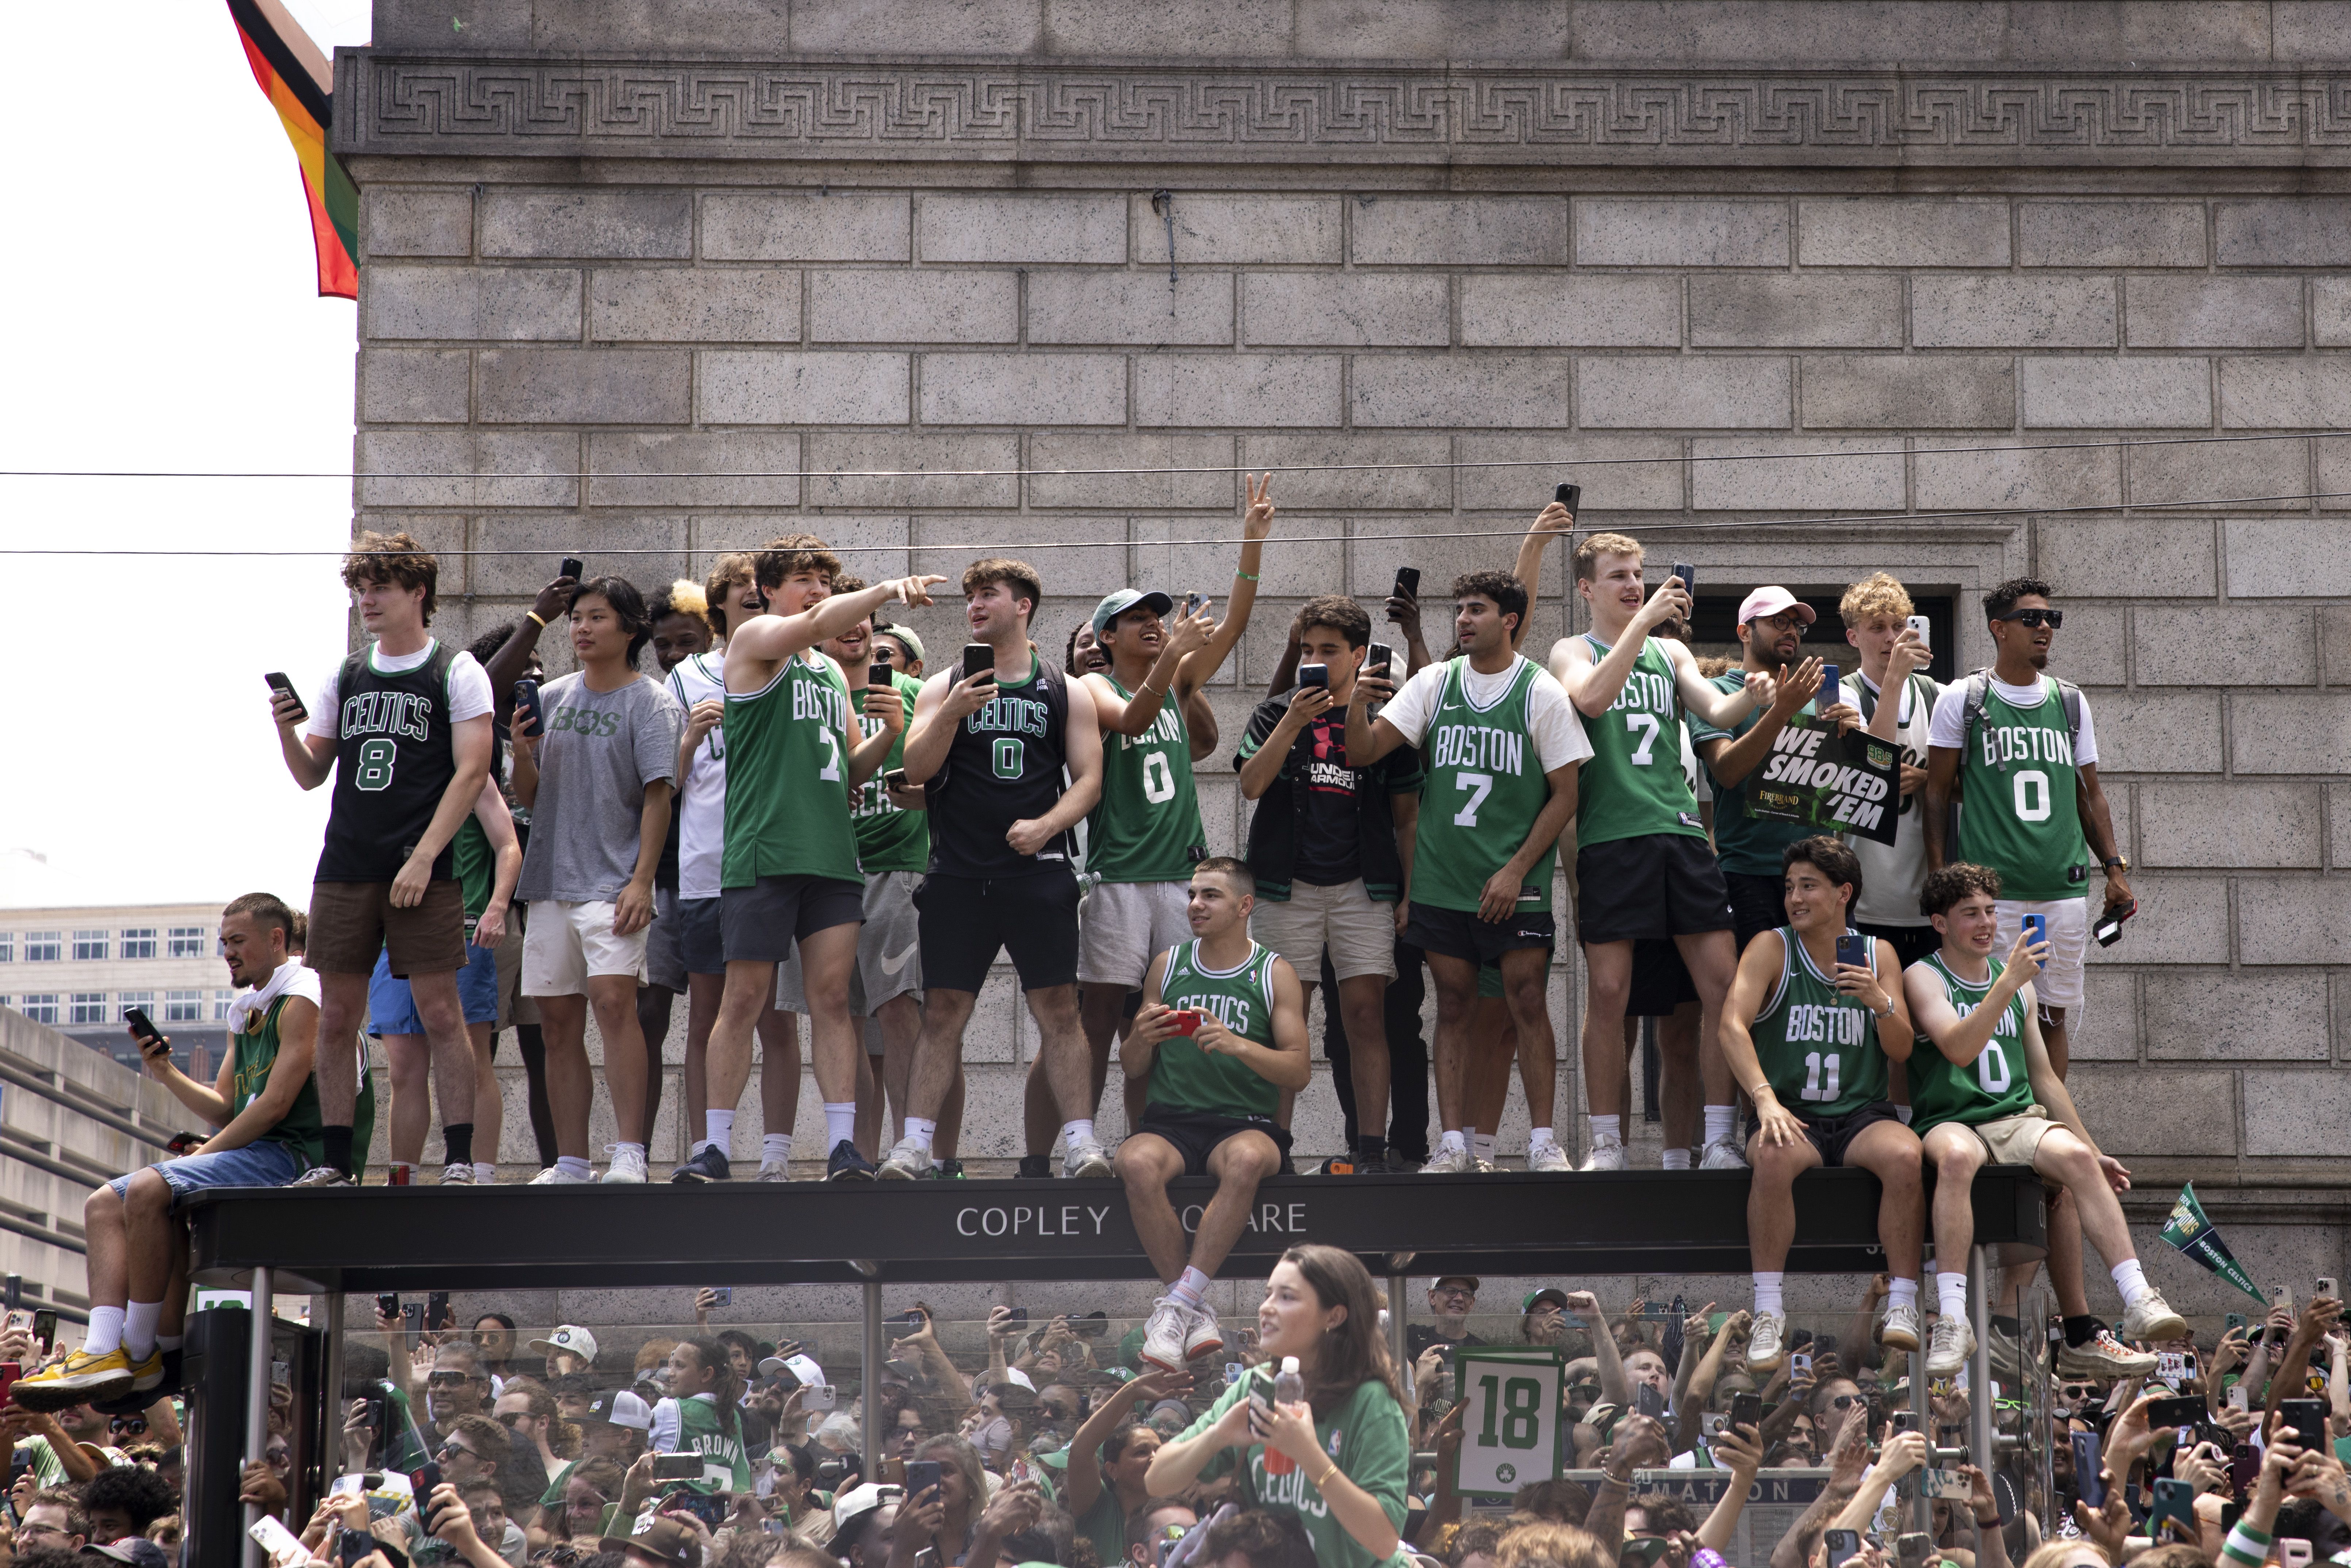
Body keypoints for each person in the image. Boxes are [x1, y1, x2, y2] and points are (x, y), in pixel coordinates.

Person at [18, 893, 319, 1410]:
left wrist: (197, 1160)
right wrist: (164, 1070)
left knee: (150, 1186)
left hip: (292, 1156)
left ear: (276, 940)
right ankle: (102, 1348)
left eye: (238, 941)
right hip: (256, 1148)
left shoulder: (302, 997)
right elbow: (226, 1105)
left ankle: (140, 1352)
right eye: (223, 942)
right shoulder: (246, 1009)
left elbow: (273, 1106)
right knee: (101, 1204)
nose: (227, 951)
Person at [708, 538, 942, 1182]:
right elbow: (813, 626)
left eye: (823, 580)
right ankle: (715, 1146)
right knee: (745, 999)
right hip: (765, 848)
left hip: (833, 854)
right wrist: (888, 590)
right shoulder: (756, 638)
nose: (816, 591)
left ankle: (844, 1146)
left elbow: (852, 773)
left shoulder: (830, 673)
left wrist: (891, 735)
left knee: (833, 1001)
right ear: (770, 589)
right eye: (803, 580)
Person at [1343, 570, 1590, 1175]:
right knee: (1452, 1006)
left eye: (1475, 609)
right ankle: (1451, 1144)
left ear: (1509, 620)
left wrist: (1514, 871)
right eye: (1458, 610)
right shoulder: (1434, 682)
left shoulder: (1539, 691)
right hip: (1441, 880)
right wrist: (1355, 702)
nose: (1462, 619)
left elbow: (1565, 795)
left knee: (1526, 1001)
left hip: (1514, 880)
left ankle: (1541, 1143)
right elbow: (1362, 751)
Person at [1539, 525, 1769, 1173]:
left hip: (1680, 832)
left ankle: (1718, 1136)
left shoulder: (1669, 654)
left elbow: (1712, 714)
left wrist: (1752, 697)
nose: (1633, 585)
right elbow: (1588, 698)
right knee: (1608, 992)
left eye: (1637, 574)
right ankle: (1606, 1140)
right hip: (1611, 837)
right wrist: (1641, 622)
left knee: (1721, 984)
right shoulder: (1570, 649)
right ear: (1586, 587)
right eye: (1618, 575)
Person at [1065, 475, 1272, 1178]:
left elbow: (1237, 622)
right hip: (1120, 876)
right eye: (1138, 619)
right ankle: (1080, 1140)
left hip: (1179, 880)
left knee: (1162, 1026)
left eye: (1160, 616)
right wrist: (1171, 659)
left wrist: (1250, 543)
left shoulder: (1179, 679)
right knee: (1098, 1021)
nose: (1154, 623)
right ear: (1106, 636)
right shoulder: (1093, 687)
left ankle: (1145, 1140)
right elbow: (1129, 717)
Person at [272, 530, 493, 1186]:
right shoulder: (345, 674)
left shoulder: (455, 669)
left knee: (441, 1013)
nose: (368, 601)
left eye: (381, 588)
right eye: (360, 590)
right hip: (344, 865)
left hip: (420, 867)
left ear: (417, 593)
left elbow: (473, 770)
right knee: (337, 1017)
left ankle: (457, 1157)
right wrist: (285, 729)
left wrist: (425, 856)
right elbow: (312, 773)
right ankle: (338, 1163)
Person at [1903, 862, 2185, 1376]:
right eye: (1970, 913)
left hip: (2013, 1116)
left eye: (1990, 910)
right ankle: (1951, 1316)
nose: (1985, 922)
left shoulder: (2021, 987)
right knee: (1956, 1157)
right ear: (1940, 922)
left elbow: (2044, 1078)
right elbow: (1959, 1048)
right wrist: (2006, 982)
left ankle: (2137, 1295)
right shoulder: (1923, 975)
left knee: (2074, 1161)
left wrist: (2089, 1146)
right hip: (1949, 1117)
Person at [881, 559, 1107, 1180]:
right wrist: (951, 712)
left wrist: (1047, 826)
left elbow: (1089, 779)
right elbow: (918, 769)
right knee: (942, 1012)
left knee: (1059, 1009)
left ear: (1023, 605)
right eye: (971, 597)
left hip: (1036, 872)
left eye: (989, 595)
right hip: (957, 871)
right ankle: (913, 1145)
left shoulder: (1066, 687)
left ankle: (1082, 1144)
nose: (975, 605)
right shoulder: (943, 684)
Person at [773, 575, 963, 1178]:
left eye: (863, 622)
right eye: (838, 617)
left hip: (897, 871)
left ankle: (915, 1151)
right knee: (839, 1016)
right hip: (824, 870)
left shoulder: (912, 690)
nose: (854, 629)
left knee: (900, 1012)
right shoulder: (806, 690)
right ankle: (854, 1155)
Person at [1714, 837, 1925, 1376]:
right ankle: (1767, 1310)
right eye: (1788, 887)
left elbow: (1900, 1048)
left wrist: (1878, 1002)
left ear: (1842, 893)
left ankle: (1901, 1299)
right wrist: (1763, 1099)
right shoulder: (1770, 946)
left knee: (1906, 1155)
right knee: (1771, 1155)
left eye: (1807, 885)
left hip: (1860, 1113)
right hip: (1790, 1110)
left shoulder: (1876, 954)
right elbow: (1730, 1024)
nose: (1793, 897)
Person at [1237, 594, 1423, 1176]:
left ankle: (1371, 1148)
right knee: (1283, 1019)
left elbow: (1406, 817)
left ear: (1359, 655)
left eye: (1329, 650)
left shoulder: (1384, 718)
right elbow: (1249, 784)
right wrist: (1293, 717)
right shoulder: (1274, 712)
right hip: (1284, 884)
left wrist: (1407, 891)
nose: (1314, 659)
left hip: (1361, 886)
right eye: (1307, 649)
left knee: (1366, 1015)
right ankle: (1275, 1147)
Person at [509, 575, 684, 1185]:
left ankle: (630, 1152)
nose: (581, 628)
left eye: (597, 618)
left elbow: (659, 798)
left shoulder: (652, 701)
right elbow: (528, 799)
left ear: (629, 629)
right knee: (556, 1024)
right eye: (576, 618)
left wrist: (641, 882)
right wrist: (522, 754)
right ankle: (572, 1161)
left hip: (614, 883)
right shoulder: (551, 698)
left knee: (616, 1006)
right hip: (549, 881)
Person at [1923, 578, 2132, 1080]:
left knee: (2050, 1015)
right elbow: (1936, 792)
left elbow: (2088, 796)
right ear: (1998, 629)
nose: (2044, 628)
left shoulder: (2068, 701)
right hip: (1993, 891)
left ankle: (2048, 1129)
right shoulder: (1964, 697)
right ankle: (1995, 1124)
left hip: (2060, 887)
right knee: (1991, 1012)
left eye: (2050, 619)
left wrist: (2114, 868)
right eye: (2031, 618)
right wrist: (1938, 878)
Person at [1118, 858, 1312, 1369]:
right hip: (1171, 1119)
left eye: (1210, 895)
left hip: (1246, 1121)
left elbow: (1298, 1070)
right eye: (1192, 894)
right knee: (1133, 1161)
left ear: (1244, 906)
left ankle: (1176, 1306)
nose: (1195, 905)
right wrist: (1140, 1036)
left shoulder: (1274, 971)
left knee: (1246, 1160)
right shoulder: (1168, 964)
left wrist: (1235, 1044)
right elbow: (1132, 1066)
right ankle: (1191, 1306)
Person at [666, 555, 803, 1183]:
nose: (752, 596)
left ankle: (776, 1154)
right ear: (717, 604)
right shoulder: (686, 677)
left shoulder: (793, 666)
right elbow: (662, 782)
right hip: (705, 865)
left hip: (772, 862)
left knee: (775, 1016)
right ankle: (707, 1146)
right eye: (740, 590)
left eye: (760, 588)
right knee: (708, 1016)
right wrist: (690, 741)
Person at [1148, 1244, 1412, 1568]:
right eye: (1268, 1294)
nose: (1266, 1308)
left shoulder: (1370, 1401)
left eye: (1287, 1297)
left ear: (1334, 1315)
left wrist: (1309, 1455)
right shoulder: (1255, 1385)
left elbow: (1384, 1541)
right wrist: (1218, 1434)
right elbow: (1157, 1480)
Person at [367, 773, 522, 1185]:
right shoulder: (389, 768)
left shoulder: (472, 774)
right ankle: (404, 1175)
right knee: (403, 1067)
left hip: (462, 929)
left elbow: (508, 844)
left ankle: (479, 1172)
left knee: (473, 1060)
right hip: (393, 933)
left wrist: (497, 906)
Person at [637, 580, 718, 1153]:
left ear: (711, 634)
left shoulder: (737, 686)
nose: (672, 655)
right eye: (662, 645)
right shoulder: (652, 700)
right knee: (648, 1017)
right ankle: (633, 1150)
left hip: (717, 874)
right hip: (664, 876)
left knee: (716, 1022)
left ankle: (706, 1147)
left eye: (685, 641)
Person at [1839, 574, 1944, 971]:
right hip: (1863, 898)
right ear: (1853, 638)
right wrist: (1896, 680)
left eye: (1899, 626)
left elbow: (1969, 784)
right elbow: (1874, 769)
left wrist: (1929, 779)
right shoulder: (1844, 692)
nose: (1891, 638)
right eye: (1877, 628)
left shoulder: (1936, 695)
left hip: (1924, 899)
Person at [1059, 1369, 1191, 1566]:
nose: (1154, 1457)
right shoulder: (1098, 1508)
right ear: (1112, 1470)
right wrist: (1132, 1391)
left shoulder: (1175, 1510)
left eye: (1158, 1450)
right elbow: (1080, 1451)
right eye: (1141, 1452)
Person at [1406, 1277, 1488, 1359]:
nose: (1460, 1298)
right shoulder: (1413, 1337)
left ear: (1471, 1303)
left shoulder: (1482, 1351)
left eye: (1466, 1294)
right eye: (1451, 1291)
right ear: (1432, 1297)